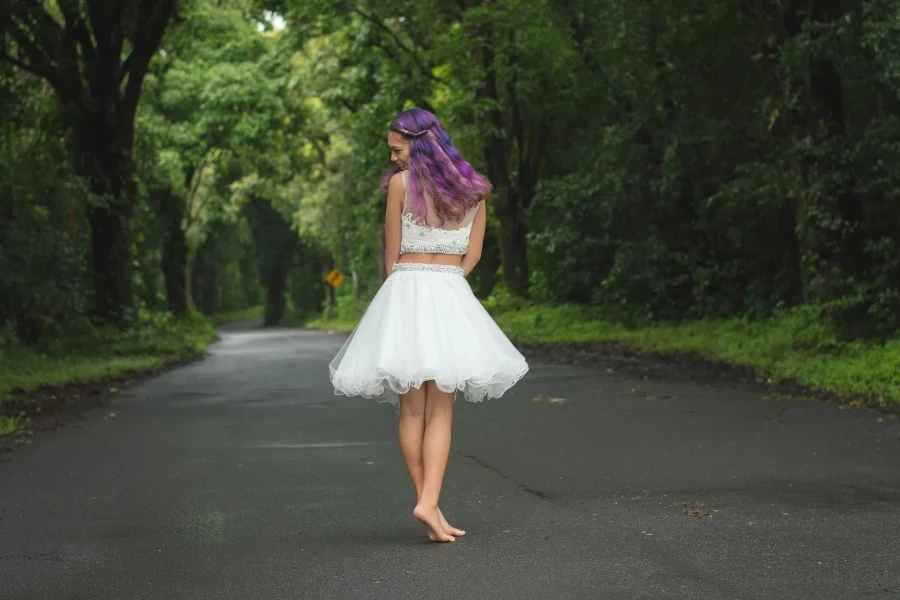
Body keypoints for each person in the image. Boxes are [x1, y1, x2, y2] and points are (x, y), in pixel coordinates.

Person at [329, 107, 529, 542]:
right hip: (449, 292)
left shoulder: (401, 186)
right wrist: (447, 288)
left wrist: (404, 289)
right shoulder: (475, 192)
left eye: (397, 149)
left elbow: (391, 254)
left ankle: (426, 501)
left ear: (417, 143)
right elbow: (472, 257)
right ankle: (431, 508)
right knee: (441, 409)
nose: (394, 158)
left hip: (405, 291)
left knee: (411, 409)